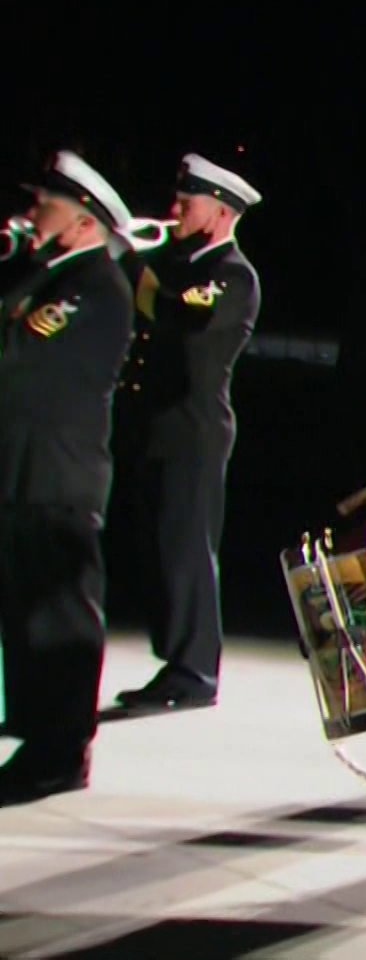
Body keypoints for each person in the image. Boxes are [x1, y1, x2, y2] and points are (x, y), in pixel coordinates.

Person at [0, 151, 136, 805]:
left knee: (59, 617)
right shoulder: (48, 274)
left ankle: (61, 750)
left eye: (45, 206)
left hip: (59, 471)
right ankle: (36, 732)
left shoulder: (92, 286)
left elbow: (17, 354)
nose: (31, 214)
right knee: (25, 612)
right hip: (25, 467)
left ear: (84, 224)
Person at [108, 153, 261, 716]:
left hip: (193, 432)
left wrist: (131, 264)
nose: (174, 210)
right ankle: (175, 662)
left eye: (187, 203)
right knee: (158, 550)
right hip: (155, 427)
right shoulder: (177, 263)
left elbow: (181, 317)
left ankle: (195, 671)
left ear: (220, 213)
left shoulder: (232, 275)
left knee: (186, 552)